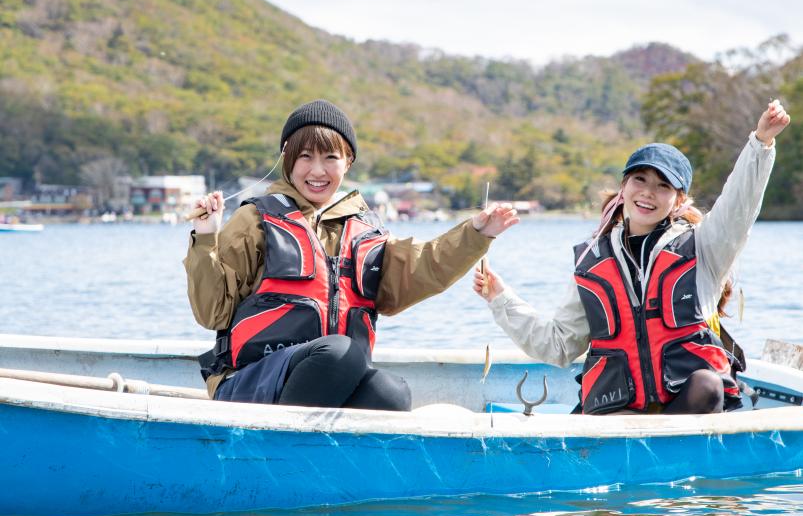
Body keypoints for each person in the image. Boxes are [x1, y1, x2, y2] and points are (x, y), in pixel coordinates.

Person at [185, 99, 518, 410]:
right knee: (341, 352)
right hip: (251, 381)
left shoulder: (364, 230)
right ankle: (281, 451)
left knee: (392, 394)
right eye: (306, 157)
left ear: (348, 163)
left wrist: (477, 234)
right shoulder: (254, 219)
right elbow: (212, 313)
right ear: (287, 159)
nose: (318, 171)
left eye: (330, 158)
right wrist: (206, 235)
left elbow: (425, 265)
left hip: (332, 377)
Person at [474, 100, 791, 415]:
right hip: (618, 416)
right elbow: (558, 346)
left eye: (662, 185)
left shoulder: (706, 246)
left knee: (708, 385)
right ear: (623, 186)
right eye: (640, 179)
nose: (648, 192)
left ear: (678, 199)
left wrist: (760, 144)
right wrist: (499, 298)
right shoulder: (592, 261)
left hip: (687, 412)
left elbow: (739, 207)